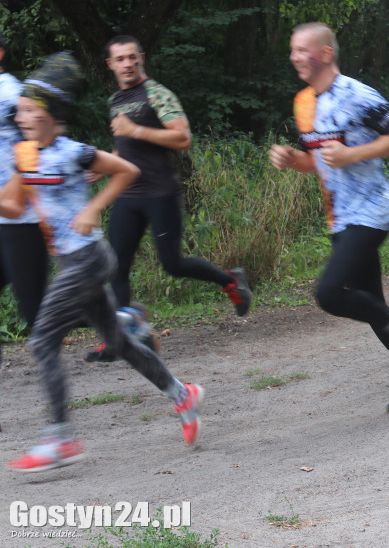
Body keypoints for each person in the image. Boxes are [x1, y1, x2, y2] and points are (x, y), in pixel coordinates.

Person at [3, 53, 203, 472]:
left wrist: (95, 208)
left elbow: (126, 170)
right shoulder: (25, 156)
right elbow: (11, 203)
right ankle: (182, 394)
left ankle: (60, 439)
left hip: (90, 260)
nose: (17, 116)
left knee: (41, 341)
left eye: (25, 110)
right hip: (72, 262)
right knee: (118, 344)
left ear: (46, 115)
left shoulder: (72, 153)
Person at [270, 22, 389, 413]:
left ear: (326, 53)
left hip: (372, 210)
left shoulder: (357, 95)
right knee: (371, 303)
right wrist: (293, 159)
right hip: (339, 216)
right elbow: (319, 162)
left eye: (302, 50)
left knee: (329, 293)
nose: (295, 57)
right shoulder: (303, 103)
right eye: (292, 50)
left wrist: (351, 155)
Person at [88, 35, 250, 363]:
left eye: (133, 57)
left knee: (172, 265)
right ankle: (119, 337)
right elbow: (125, 147)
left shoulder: (157, 94)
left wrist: (137, 130)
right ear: (110, 63)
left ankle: (230, 280)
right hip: (129, 194)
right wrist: (104, 167)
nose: (128, 63)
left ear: (142, 57)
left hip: (161, 193)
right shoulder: (117, 100)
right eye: (120, 59)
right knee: (115, 269)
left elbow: (182, 137)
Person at [0, 32, 48, 360]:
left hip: (22, 213)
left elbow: (38, 140)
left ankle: (121, 319)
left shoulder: (12, 93)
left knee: (35, 314)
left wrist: (23, 184)